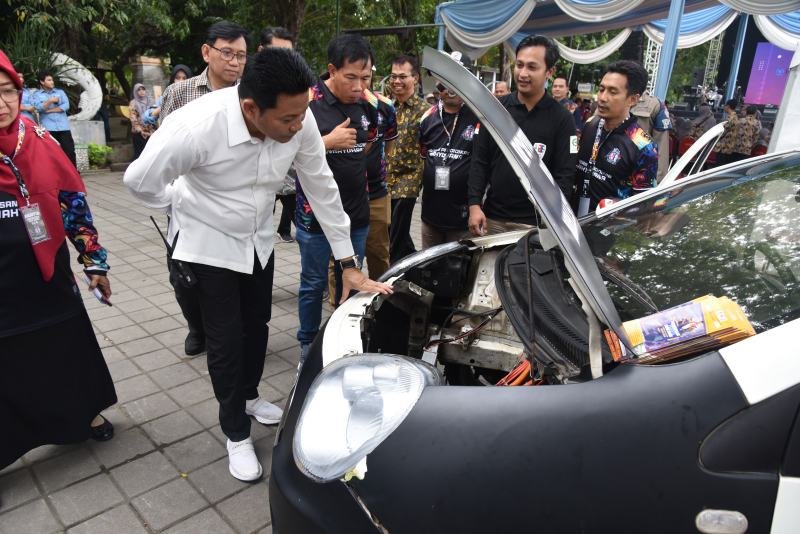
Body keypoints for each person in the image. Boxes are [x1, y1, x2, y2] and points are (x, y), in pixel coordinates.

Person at [124, 47, 392, 482]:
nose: (299, 125)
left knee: (258, 325)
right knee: (226, 340)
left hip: (258, 242)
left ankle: (248, 395)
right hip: (206, 248)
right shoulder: (196, 127)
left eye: (302, 114)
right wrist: (179, 204)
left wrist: (348, 262)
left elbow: (321, 188)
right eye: (288, 119)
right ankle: (235, 431)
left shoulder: (297, 121)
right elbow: (138, 182)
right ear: (251, 108)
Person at [0, 51, 117, 470]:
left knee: (65, 345)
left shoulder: (38, 138)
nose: (2, 103)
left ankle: (82, 413)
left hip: (47, 273)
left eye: (7, 91)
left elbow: (73, 203)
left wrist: (94, 261)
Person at [158, 21, 249, 357]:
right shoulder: (179, 93)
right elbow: (161, 148)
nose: (235, 62)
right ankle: (197, 326)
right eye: (227, 53)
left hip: (232, 206)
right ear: (206, 52)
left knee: (231, 279)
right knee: (183, 278)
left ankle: (226, 335)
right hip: (186, 206)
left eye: (241, 55)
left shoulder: (251, 94)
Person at [296, 33, 379, 357]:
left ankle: (342, 341)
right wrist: (326, 142)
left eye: (366, 77)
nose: (359, 85)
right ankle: (307, 343)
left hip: (355, 217)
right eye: (351, 77)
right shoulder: (307, 104)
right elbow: (287, 156)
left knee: (350, 281)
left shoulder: (367, 104)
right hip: (314, 218)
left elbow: (369, 145)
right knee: (313, 284)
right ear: (331, 69)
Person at [468, 35, 577, 236]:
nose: (523, 73)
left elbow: (565, 176)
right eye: (519, 65)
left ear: (549, 72)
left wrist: (552, 222)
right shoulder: (495, 108)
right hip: (493, 218)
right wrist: (474, 204)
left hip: (535, 225)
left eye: (532, 67)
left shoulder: (562, 119)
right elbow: (479, 161)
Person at [574, 60, 658, 215]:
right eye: (601, 89)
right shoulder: (591, 124)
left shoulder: (644, 146)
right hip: (568, 220)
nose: (602, 98)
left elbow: (644, 203)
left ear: (633, 99)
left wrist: (616, 205)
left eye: (612, 92)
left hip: (605, 231)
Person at [419, 81, 480, 247]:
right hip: (430, 215)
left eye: (455, 82)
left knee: (458, 269)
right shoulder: (427, 118)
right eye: (445, 83)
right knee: (429, 267)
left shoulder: (478, 118)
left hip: (463, 218)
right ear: (438, 85)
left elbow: (482, 164)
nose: (451, 88)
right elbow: (422, 156)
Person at [386, 54, 428, 263]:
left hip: (409, 182)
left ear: (415, 78)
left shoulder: (426, 111)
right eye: (393, 77)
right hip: (386, 181)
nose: (396, 81)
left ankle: (391, 279)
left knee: (395, 235)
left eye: (402, 77)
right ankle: (415, 266)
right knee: (395, 235)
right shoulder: (387, 107)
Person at [258, 27, 297, 243]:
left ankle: (283, 231)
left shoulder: (299, 97)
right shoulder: (239, 92)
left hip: (286, 180)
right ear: (261, 51)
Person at [363, 88, 397, 279]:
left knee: (379, 254)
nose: (360, 82)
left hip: (377, 193)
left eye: (365, 75)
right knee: (341, 259)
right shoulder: (326, 103)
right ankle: (341, 305)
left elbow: (389, 146)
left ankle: (380, 303)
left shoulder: (384, 105)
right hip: (342, 194)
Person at [31, 70, 76, 166]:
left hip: (63, 127)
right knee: (52, 153)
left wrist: (50, 110)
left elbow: (66, 106)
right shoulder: (36, 95)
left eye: (52, 80)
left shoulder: (60, 92)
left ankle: (75, 174)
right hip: (48, 129)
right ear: (42, 82)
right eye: (49, 80)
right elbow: (38, 108)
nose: (52, 82)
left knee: (70, 151)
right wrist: (50, 101)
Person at [631, 92, 672, 182]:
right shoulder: (607, 99)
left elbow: (661, 149)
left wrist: (658, 183)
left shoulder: (655, 105)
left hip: (640, 174)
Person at [129, 83, 156, 159]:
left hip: (150, 132)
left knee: (150, 155)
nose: (141, 91)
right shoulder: (133, 103)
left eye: (143, 89)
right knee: (139, 155)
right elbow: (133, 118)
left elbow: (155, 115)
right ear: (135, 92)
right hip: (138, 133)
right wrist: (141, 130)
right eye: (139, 90)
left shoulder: (151, 101)